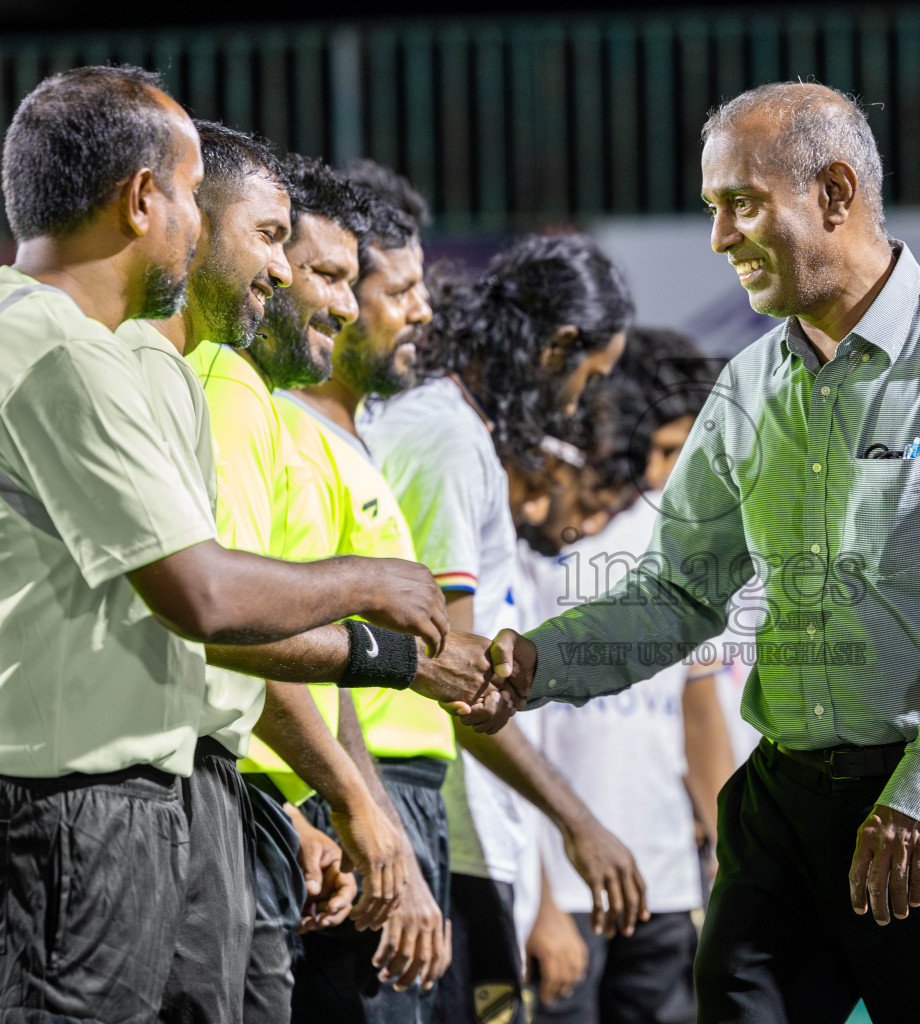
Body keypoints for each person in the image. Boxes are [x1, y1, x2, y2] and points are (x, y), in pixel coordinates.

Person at [490, 82, 920, 1022]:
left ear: (836, 194)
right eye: (712, 210)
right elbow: (678, 593)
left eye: (741, 204)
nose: (720, 238)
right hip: (785, 804)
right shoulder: (747, 385)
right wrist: (536, 663)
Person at [0, 66, 467, 1024]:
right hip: (50, 814)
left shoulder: (122, 355)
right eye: (195, 196)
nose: (274, 262)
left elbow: (164, 630)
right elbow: (208, 600)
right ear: (142, 199)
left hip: (130, 800)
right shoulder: (55, 350)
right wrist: (370, 588)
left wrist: (253, 807)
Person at [363, 240, 645, 1024]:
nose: (572, 404)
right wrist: (579, 823)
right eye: (586, 377)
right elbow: (457, 678)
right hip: (440, 834)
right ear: (556, 347)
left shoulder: (456, 427)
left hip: (465, 834)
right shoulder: (448, 438)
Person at [283, 160, 469, 1023]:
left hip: (371, 798)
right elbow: (284, 646)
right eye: (397, 289)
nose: (418, 311)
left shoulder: (352, 442)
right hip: (340, 794)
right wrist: (367, 813)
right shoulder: (290, 433)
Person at [520, 332, 736, 1024]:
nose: (678, 471)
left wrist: (731, 850)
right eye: (669, 450)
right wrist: (540, 898)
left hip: (664, 882)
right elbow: (509, 730)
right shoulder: (548, 532)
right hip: (566, 885)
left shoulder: (680, 540)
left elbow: (699, 714)